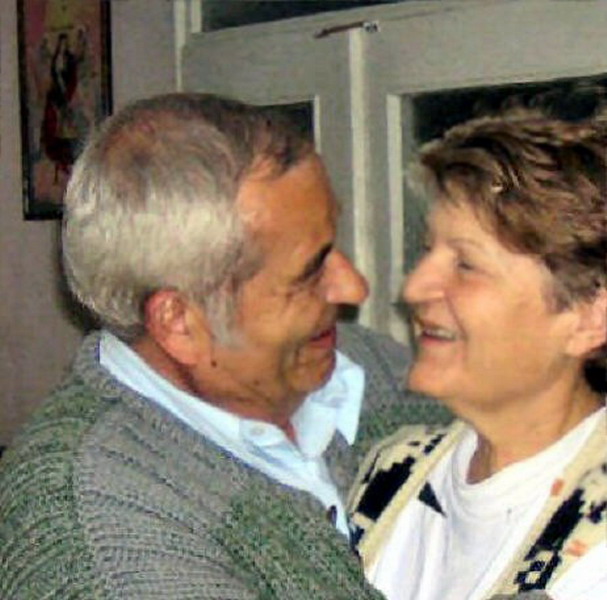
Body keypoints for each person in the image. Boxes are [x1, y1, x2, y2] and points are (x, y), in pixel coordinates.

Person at [0, 93, 447, 599]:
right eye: (309, 270)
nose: (353, 288)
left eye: (332, 244)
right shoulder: (93, 538)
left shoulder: (360, 364)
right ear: (181, 324)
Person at [349, 108, 606, 600]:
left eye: (466, 264)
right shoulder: (393, 470)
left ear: (589, 318)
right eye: (427, 252)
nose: (414, 289)